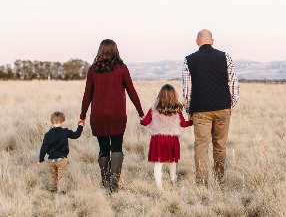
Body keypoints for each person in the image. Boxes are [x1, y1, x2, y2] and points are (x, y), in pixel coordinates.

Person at [80, 39, 144, 192]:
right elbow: (132, 91)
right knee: (116, 147)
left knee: (103, 148)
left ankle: (105, 180)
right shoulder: (121, 68)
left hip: (98, 115)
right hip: (117, 115)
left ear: (100, 50)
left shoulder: (93, 69)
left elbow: (87, 95)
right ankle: (114, 184)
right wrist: (141, 112)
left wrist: (82, 115)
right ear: (116, 50)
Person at [182, 29, 239, 186]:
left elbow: (187, 90)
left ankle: (201, 184)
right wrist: (229, 103)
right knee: (220, 145)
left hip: (200, 110)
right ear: (212, 41)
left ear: (197, 41)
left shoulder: (189, 60)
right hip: (223, 108)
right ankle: (219, 180)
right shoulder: (225, 57)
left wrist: (188, 109)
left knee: (201, 146)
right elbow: (234, 82)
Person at [140, 84, 192, 190]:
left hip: (158, 139)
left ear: (161, 95)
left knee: (158, 163)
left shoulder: (154, 107)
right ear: (174, 95)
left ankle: (159, 188)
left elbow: (145, 122)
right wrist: (191, 121)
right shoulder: (177, 108)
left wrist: (141, 120)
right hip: (172, 139)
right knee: (172, 160)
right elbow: (183, 124)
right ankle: (173, 180)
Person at [39, 111, 84, 193]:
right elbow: (76, 135)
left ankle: (52, 189)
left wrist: (41, 158)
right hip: (62, 159)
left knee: (53, 174)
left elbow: (44, 147)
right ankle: (62, 190)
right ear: (63, 123)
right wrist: (80, 126)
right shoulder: (65, 131)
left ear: (51, 122)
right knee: (62, 176)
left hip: (51, 160)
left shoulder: (48, 134)